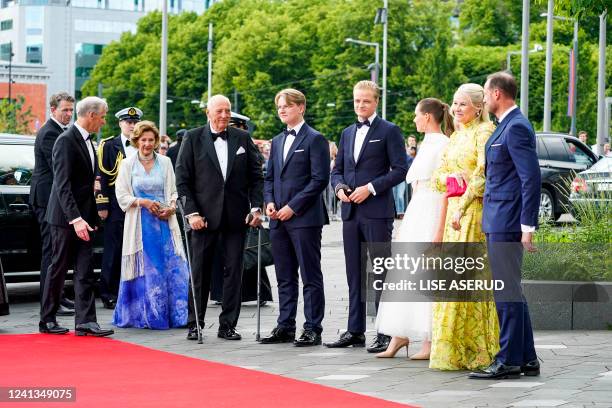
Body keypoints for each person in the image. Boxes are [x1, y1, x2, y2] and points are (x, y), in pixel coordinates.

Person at [469, 72, 542, 379]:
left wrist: (528, 226)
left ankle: (508, 360)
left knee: (506, 291)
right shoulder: (507, 127)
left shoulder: (517, 127)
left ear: (497, 94)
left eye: (486, 94)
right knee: (511, 290)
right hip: (499, 218)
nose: (484, 99)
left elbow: (531, 178)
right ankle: (526, 359)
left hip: (508, 221)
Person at [328, 80, 408, 352]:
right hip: (350, 211)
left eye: (365, 101)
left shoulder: (389, 131)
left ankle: (385, 332)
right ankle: (355, 330)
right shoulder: (347, 132)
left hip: (376, 212)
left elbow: (400, 170)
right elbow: (337, 169)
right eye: (356, 101)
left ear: (375, 102)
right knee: (353, 273)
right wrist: (338, 187)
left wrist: (370, 189)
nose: (360, 105)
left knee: (380, 272)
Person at [176, 94, 264, 341]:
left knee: (234, 271)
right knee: (200, 271)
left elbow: (256, 177)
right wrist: (191, 213)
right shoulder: (193, 138)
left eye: (227, 111)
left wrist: (256, 207)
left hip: (236, 218)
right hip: (202, 219)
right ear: (208, 113)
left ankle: (228, 325)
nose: (224, 115)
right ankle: (196, 323)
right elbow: (182, 180)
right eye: (219, 111)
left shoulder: (242, 138)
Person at [375, 98, 453, 359]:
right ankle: (400, 334)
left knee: (425, 273)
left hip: (430, 210)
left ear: (428, 117)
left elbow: (442, 185)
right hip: (418, 209)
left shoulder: (442, 144)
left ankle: (429, 340)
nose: (414, 120)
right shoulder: (427, 143)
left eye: (416, 115)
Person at [429, 83, 499, 370]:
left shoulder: (485, 132)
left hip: (473, 214)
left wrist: (463, 196)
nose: (456, 109)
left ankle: (479, 349)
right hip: (453, 214)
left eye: (462, 105)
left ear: (478, 107)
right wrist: (454, 179)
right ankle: (455, 349)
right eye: (454, 104)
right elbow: (437, 176)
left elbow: (483, 176)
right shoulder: (457, 134)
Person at [261, 89, 330, 347]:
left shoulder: (315, 139)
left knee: (310, 275)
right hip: (277, 218)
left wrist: (293, 206)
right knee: (284, 275)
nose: (282, 110)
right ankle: (285, 325)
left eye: (287, 106)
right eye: (279, 106)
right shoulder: (277, 140)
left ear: (301, 107)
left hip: (304, 218)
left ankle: (313, 327)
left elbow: (319, 179)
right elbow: (269, 177)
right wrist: (269, 202)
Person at [39, 96, 113, 337]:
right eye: (102, 116)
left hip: (85, 216)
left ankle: (86, 322)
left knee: (85, 269)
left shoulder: (89, 141)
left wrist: (88, 216)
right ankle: (47, 319)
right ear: (91, 115)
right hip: (64, 218)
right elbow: (62, 185)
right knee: (58, 267)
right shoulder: (65, 140)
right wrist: (75, 218)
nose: (103, 121)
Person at [112, 121, 189, 329]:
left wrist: (171, 208)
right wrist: (143, 202)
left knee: (169, 268)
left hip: (163, 223)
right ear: (136, 140)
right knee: (144, 270)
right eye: (143, 140)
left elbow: (173, 191)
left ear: (156, 141)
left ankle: (173, 315)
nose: (147, 144)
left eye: (151, 140)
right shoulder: (127, 164)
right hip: (139, 225)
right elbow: (122, 196)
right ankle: (143, 316)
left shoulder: (165, 162)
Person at [29, 92, 76, 317]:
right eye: (64, 110)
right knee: (51, 253)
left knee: (58, 252)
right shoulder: (50, 134)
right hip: (47, 200)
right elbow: (60, 169)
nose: (68, 114)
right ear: (53, 110)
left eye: (70, 110)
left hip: (54, 200)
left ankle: (57, 296)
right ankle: (50, 302)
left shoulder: (60, 132)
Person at [96, 107, 142, 310]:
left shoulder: (145, 143)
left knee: (135, 250)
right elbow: (101, 177)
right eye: (127, 122)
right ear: (120, 124)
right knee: (113, 251)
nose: (131, 125)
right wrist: (102, 204)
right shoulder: (109, 145)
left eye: (134, 122)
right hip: (115, 206)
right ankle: (108, 293)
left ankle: (131, 291)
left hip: (138, 205)